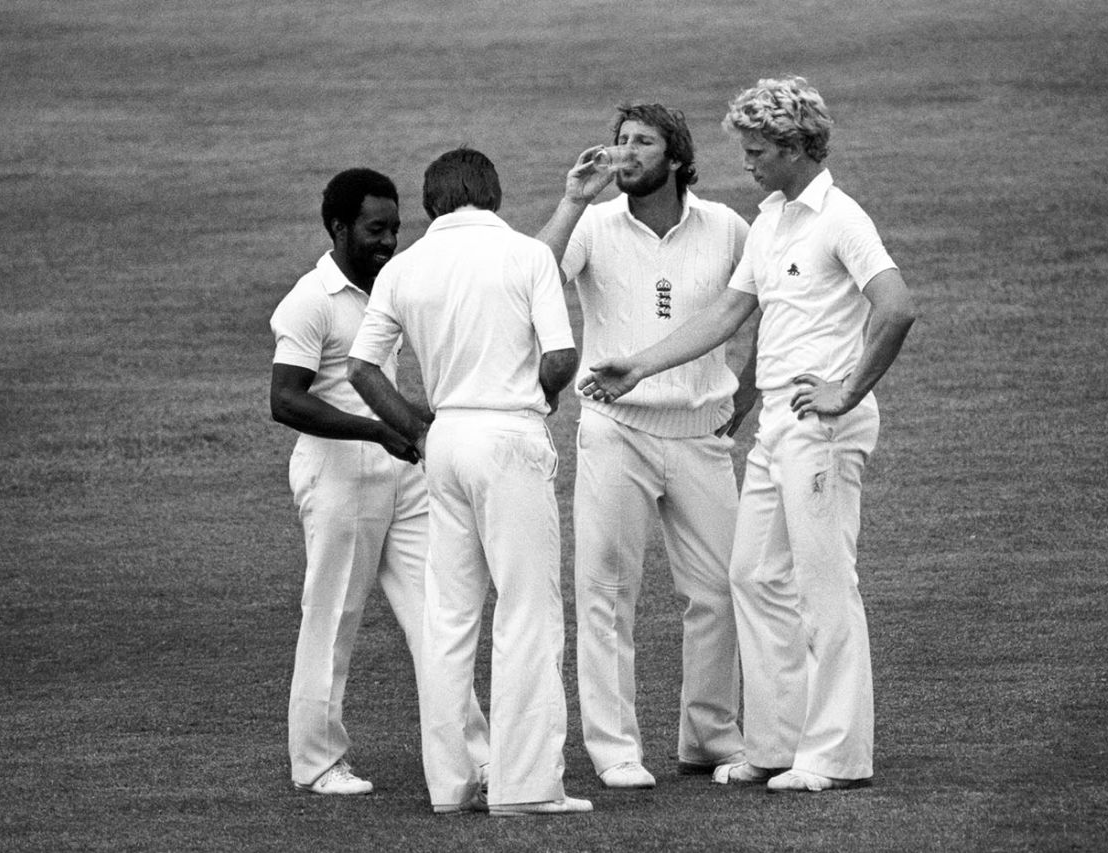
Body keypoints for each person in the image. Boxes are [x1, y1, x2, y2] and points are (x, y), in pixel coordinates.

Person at [579, 76, 916, 793]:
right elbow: (727, 315)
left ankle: (835, 757)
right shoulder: (770, 221)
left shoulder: (840, 219)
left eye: (758, 151)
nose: (747, 163)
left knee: (825, 586)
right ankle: (774, 744)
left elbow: (895, 307)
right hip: (776, 430)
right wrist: (639, 366)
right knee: (752, 576)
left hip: (823, 426)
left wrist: (848, 389)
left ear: (795, 147)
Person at [347, 148, 590, 816]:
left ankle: (450, 785)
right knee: (527, 611)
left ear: (432, 202)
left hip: (446, 441)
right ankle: (527, 786)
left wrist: (417, 429)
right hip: (507, 435)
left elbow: (362, 369)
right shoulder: (526, 255)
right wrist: (540, 397)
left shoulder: (404, 267)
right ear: (495, 193)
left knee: (449, 618)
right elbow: (561, 356)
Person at [536, 104, 756, 789]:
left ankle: (710, 738)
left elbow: (770, 304)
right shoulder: (592, 224)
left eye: (642, 142)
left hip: (701, 434)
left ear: (677, 156)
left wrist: (748, 390)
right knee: (605, 593)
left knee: (720, 591)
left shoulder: (727, 227)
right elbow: (529, 277)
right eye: (620, 141)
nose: (624, 153)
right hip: (615, 431)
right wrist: (573, 201)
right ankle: (614, 749)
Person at [269, 167, 488, 795]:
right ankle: (317, 763)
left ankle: (475, 756)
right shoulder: (310, 300)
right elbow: (285, 400)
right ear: (338, 228)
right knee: (333, 616)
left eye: (395, 228)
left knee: (438, 616)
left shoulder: (388, 285)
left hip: (402, 473)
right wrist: (375, 431)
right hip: (339, 477)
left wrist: (418, 421)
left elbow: (379, 381)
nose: (389, 241)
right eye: (375, 229)